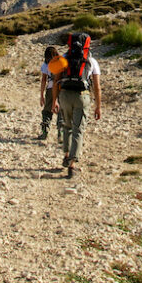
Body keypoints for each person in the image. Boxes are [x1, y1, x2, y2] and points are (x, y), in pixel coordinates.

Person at [51, 36, 102, 178]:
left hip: (65, 95)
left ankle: (66, 155)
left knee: (66, 126)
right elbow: (97, 87)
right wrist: (98, 106)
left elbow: (56, 81)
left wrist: (54, 100)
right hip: (82, 96)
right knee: (78, 129)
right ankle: (72, 164)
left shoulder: (64, 58)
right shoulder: (91, 61)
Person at [37, 46, 65, 141]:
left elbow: (44, 80)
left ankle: (45, 130)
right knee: (61, 111)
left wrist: (41, 95)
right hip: (61, 88)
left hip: (50, 89)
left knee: (47, 111)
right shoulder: (61, 62)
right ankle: (61, 132)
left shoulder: (45, 65)